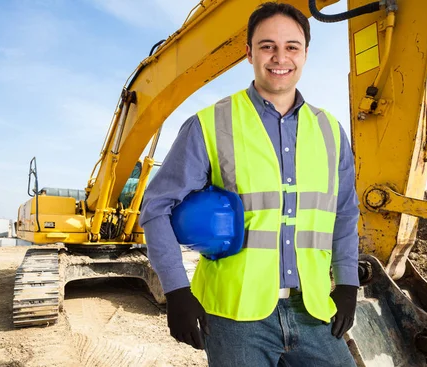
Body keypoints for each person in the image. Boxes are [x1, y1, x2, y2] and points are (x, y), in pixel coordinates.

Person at [140, 2, 359, 366]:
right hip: (234, 318)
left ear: (305, 53)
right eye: (267, 45)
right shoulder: (209, 124)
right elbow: (156, 207)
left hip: (314, 309)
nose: (280, 57)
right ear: (249, 53)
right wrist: (177, 290)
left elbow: (345, 213)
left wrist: (348, 282)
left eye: (291, 46)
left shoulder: (331, 132)